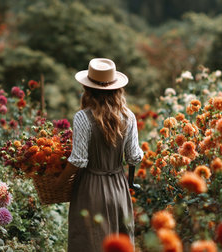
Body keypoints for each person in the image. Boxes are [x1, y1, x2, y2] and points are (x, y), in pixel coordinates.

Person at [54, 58, 143, 252]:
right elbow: (134, 157)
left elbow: (77, 160)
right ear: (117, 89)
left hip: (90, 189)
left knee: (89, 243)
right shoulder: (128, 117)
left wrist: (58, 184)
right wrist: (130, 181)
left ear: (88, 89)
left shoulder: (83, 118)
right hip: (119, 187)